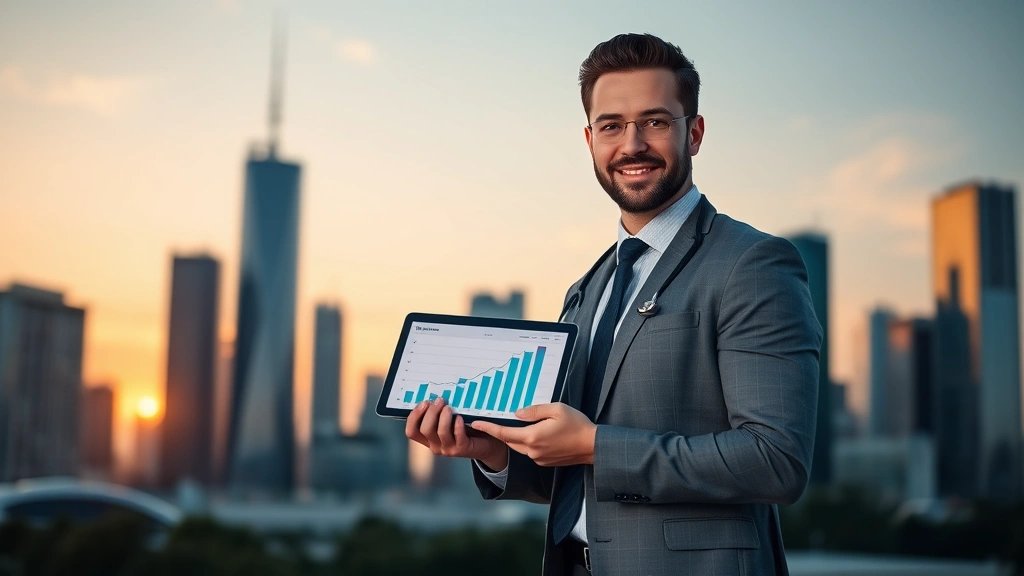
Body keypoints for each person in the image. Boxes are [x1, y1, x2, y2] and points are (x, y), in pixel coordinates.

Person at [406, 33, 821, 576]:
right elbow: (574, 474)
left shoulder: (752, 264)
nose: (632, 144)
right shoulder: (589, 286)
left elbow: (776, 461)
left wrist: (597, 445)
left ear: (693, 133)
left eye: (654, 121)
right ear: (589, 140)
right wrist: (494, 452)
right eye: (611, 126)